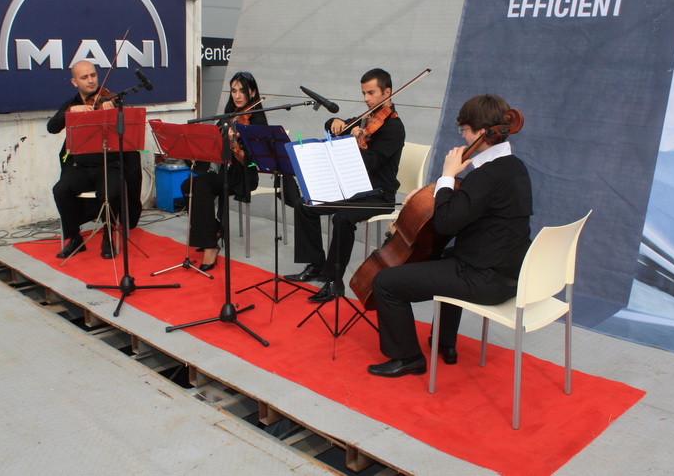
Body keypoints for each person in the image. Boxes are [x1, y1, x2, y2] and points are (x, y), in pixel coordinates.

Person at [367, 94, 533, 377]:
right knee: (444, 255)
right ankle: (445, 343)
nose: (463, 136)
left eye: (464, 129)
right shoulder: (515, 167)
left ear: (482, 133)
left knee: (384, 282)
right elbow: (475, 206)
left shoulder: (486, 175)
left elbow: (445, 223)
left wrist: (446, 176)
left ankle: (408, 358)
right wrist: (431, 194)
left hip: (484, 280)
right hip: (512, 274)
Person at [285, 68, 405, 303]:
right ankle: (317, 265)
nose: (366, 99)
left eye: (371, 93)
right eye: (364, 93)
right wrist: (336, 122)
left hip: (379, 195)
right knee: (304, 204)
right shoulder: (367, 118)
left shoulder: (394, 127)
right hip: (353, 189)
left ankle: (334, 281)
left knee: (343, 218)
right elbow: (331, 124)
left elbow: (372, 162)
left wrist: (355, 142)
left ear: (387, 92)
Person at [182, 71, 266, 270]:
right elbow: (214, 147)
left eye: (242, 91)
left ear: (253, 92)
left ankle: (210, 246)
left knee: (201, 186)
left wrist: (234, 146)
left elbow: (252, 163)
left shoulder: (257, 122)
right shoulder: (228, 116)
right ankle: (214, 230)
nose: (237, 95)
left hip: (241, 176)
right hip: (221, 172)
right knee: (188, 185)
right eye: (233, 91)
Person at [48, 60, 121, 260]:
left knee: (110, 192)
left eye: (93, 75)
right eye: (84, 77)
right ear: (74, 82)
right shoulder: (71, 105)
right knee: (60, 190)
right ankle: (75, 239)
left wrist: (113, 111)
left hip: (108, 165)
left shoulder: (110, 99)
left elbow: (127, 131)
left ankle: (108, 237)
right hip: (80, 167)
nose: (91, 80)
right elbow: (52, 127)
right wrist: (70, 112)